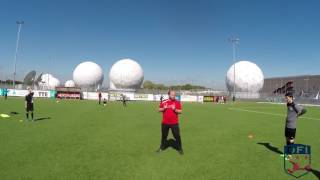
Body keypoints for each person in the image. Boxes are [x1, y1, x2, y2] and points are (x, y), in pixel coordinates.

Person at [157, 89, 183, 155]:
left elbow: (180, 111)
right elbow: (158, 109)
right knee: (164, 136)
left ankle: (180, 148)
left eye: (174, 95)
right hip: (165, 123)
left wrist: (175, 109)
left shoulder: (177, 102)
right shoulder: (164, 101)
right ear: (169, 95)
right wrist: (163, 108)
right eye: (172, 95)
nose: (174, 96)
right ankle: (162, 147)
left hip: (174, 123)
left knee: (177, 136)